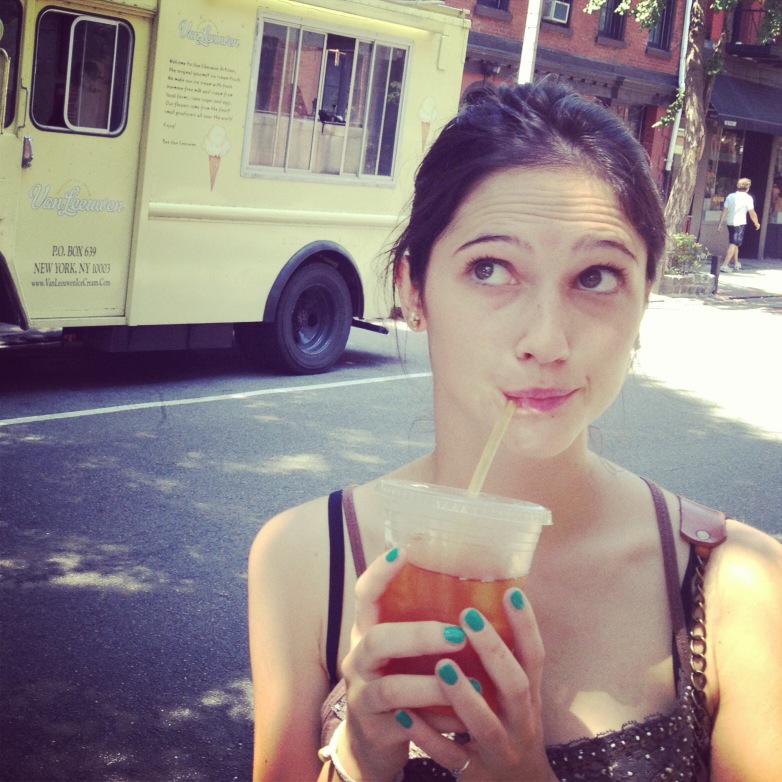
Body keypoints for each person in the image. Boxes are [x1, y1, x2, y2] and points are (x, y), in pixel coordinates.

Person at [248, 80, 782, 782]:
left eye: (597, 276)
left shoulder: (740, 584)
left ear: (643, 299)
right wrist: (359, 757)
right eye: (490, 268)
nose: (546, 341)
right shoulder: (303, 558)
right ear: (412, 290)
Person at [717, 177, 760, 272]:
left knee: (735, 242)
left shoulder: (730, 196)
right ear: (748, 187)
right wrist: (756, 223)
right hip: (739, 223)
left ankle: (736, 263)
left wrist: (720, 223)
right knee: (733, 243)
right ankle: (724, 265)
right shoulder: (748, 198)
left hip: (730, 222)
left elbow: (724, 211)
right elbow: (752, 212)